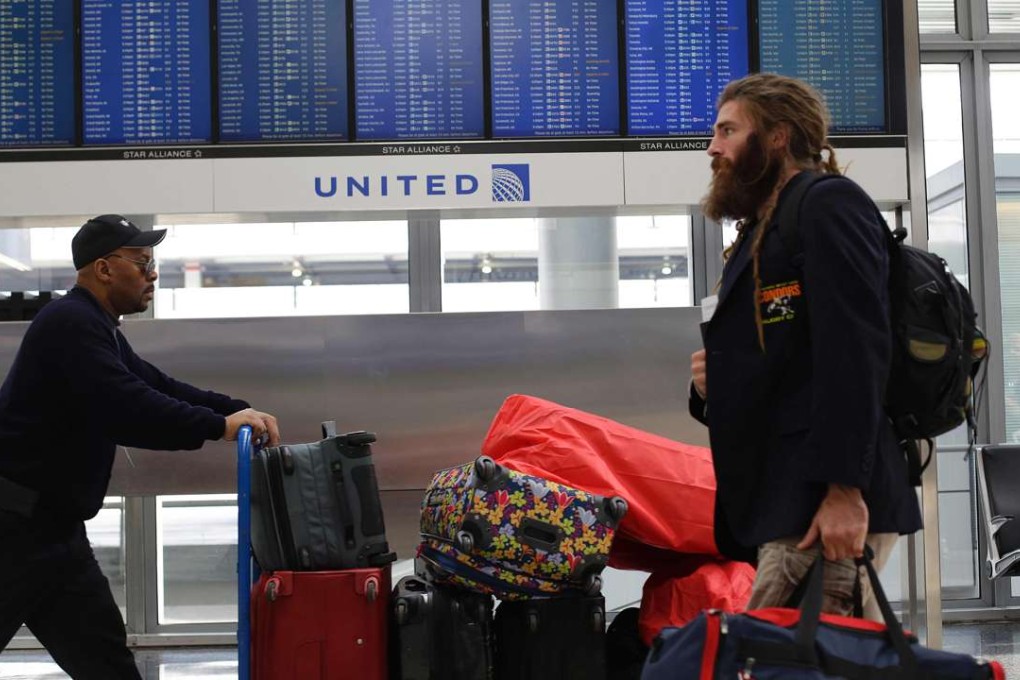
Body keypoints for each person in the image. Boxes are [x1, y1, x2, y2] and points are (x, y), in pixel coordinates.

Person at [0, 215, 280, 678]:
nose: (152, 273)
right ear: (104, 269)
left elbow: (154, 383)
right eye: (142, 262)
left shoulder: (98, 325)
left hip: (55, 533)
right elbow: (126, 407)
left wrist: (236, 409)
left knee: (108, 664)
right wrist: (219, 426)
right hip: (13, 533)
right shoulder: (69, 322)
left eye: (153, 263)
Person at [689, 74, 922, 619]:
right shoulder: (761, 226)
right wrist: (712, 382)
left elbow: (856, 350)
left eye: (727, 130)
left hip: (822, 498)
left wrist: (845, 490)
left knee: (792, 659)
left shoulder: (826, 205)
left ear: (776, 137)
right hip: (786, 497)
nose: (713, 147)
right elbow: (789, 360)